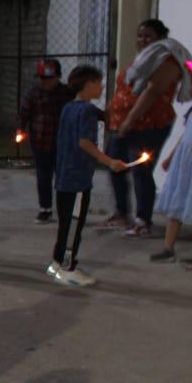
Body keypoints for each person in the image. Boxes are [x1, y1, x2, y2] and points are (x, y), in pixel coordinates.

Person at [104, 18, 192, 237]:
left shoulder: (167, 59)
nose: (142, 40)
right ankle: (121, 214)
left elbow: (153, 92)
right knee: (114, 165)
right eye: (140, 35)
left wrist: (129, 120)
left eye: (148, 36)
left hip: (148, 125)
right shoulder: (144, 59)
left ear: (160, 38)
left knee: (140, 170)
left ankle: (143, 220)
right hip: (122, 124)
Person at [46, 66, 128, 286]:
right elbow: (85, 142)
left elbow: (103, 117)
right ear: (88, 84)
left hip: (63, 176)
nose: (102, 87)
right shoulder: (87, 111)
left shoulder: (69, 108)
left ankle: (57, 263)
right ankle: (67, 269)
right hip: (77, 180)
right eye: (99, 83)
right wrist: (109, 161)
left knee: (65, 224)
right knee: (74, 226)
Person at [152, 67, 192, 267]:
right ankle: (168, 248)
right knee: (177, 203)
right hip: (185, 164)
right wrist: (170, 157)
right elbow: (185, 136)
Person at [16, 59, 72, 224]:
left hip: (62, 142)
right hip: (40, 142)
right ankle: (45, 209)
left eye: (49, 78)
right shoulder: (33, 93)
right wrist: (20, 129)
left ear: (58, 77)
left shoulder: (65, 93)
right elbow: (24, 113)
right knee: (43, 176)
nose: (45, 82)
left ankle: (65, 209)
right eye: (42, 78)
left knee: (63, 176)